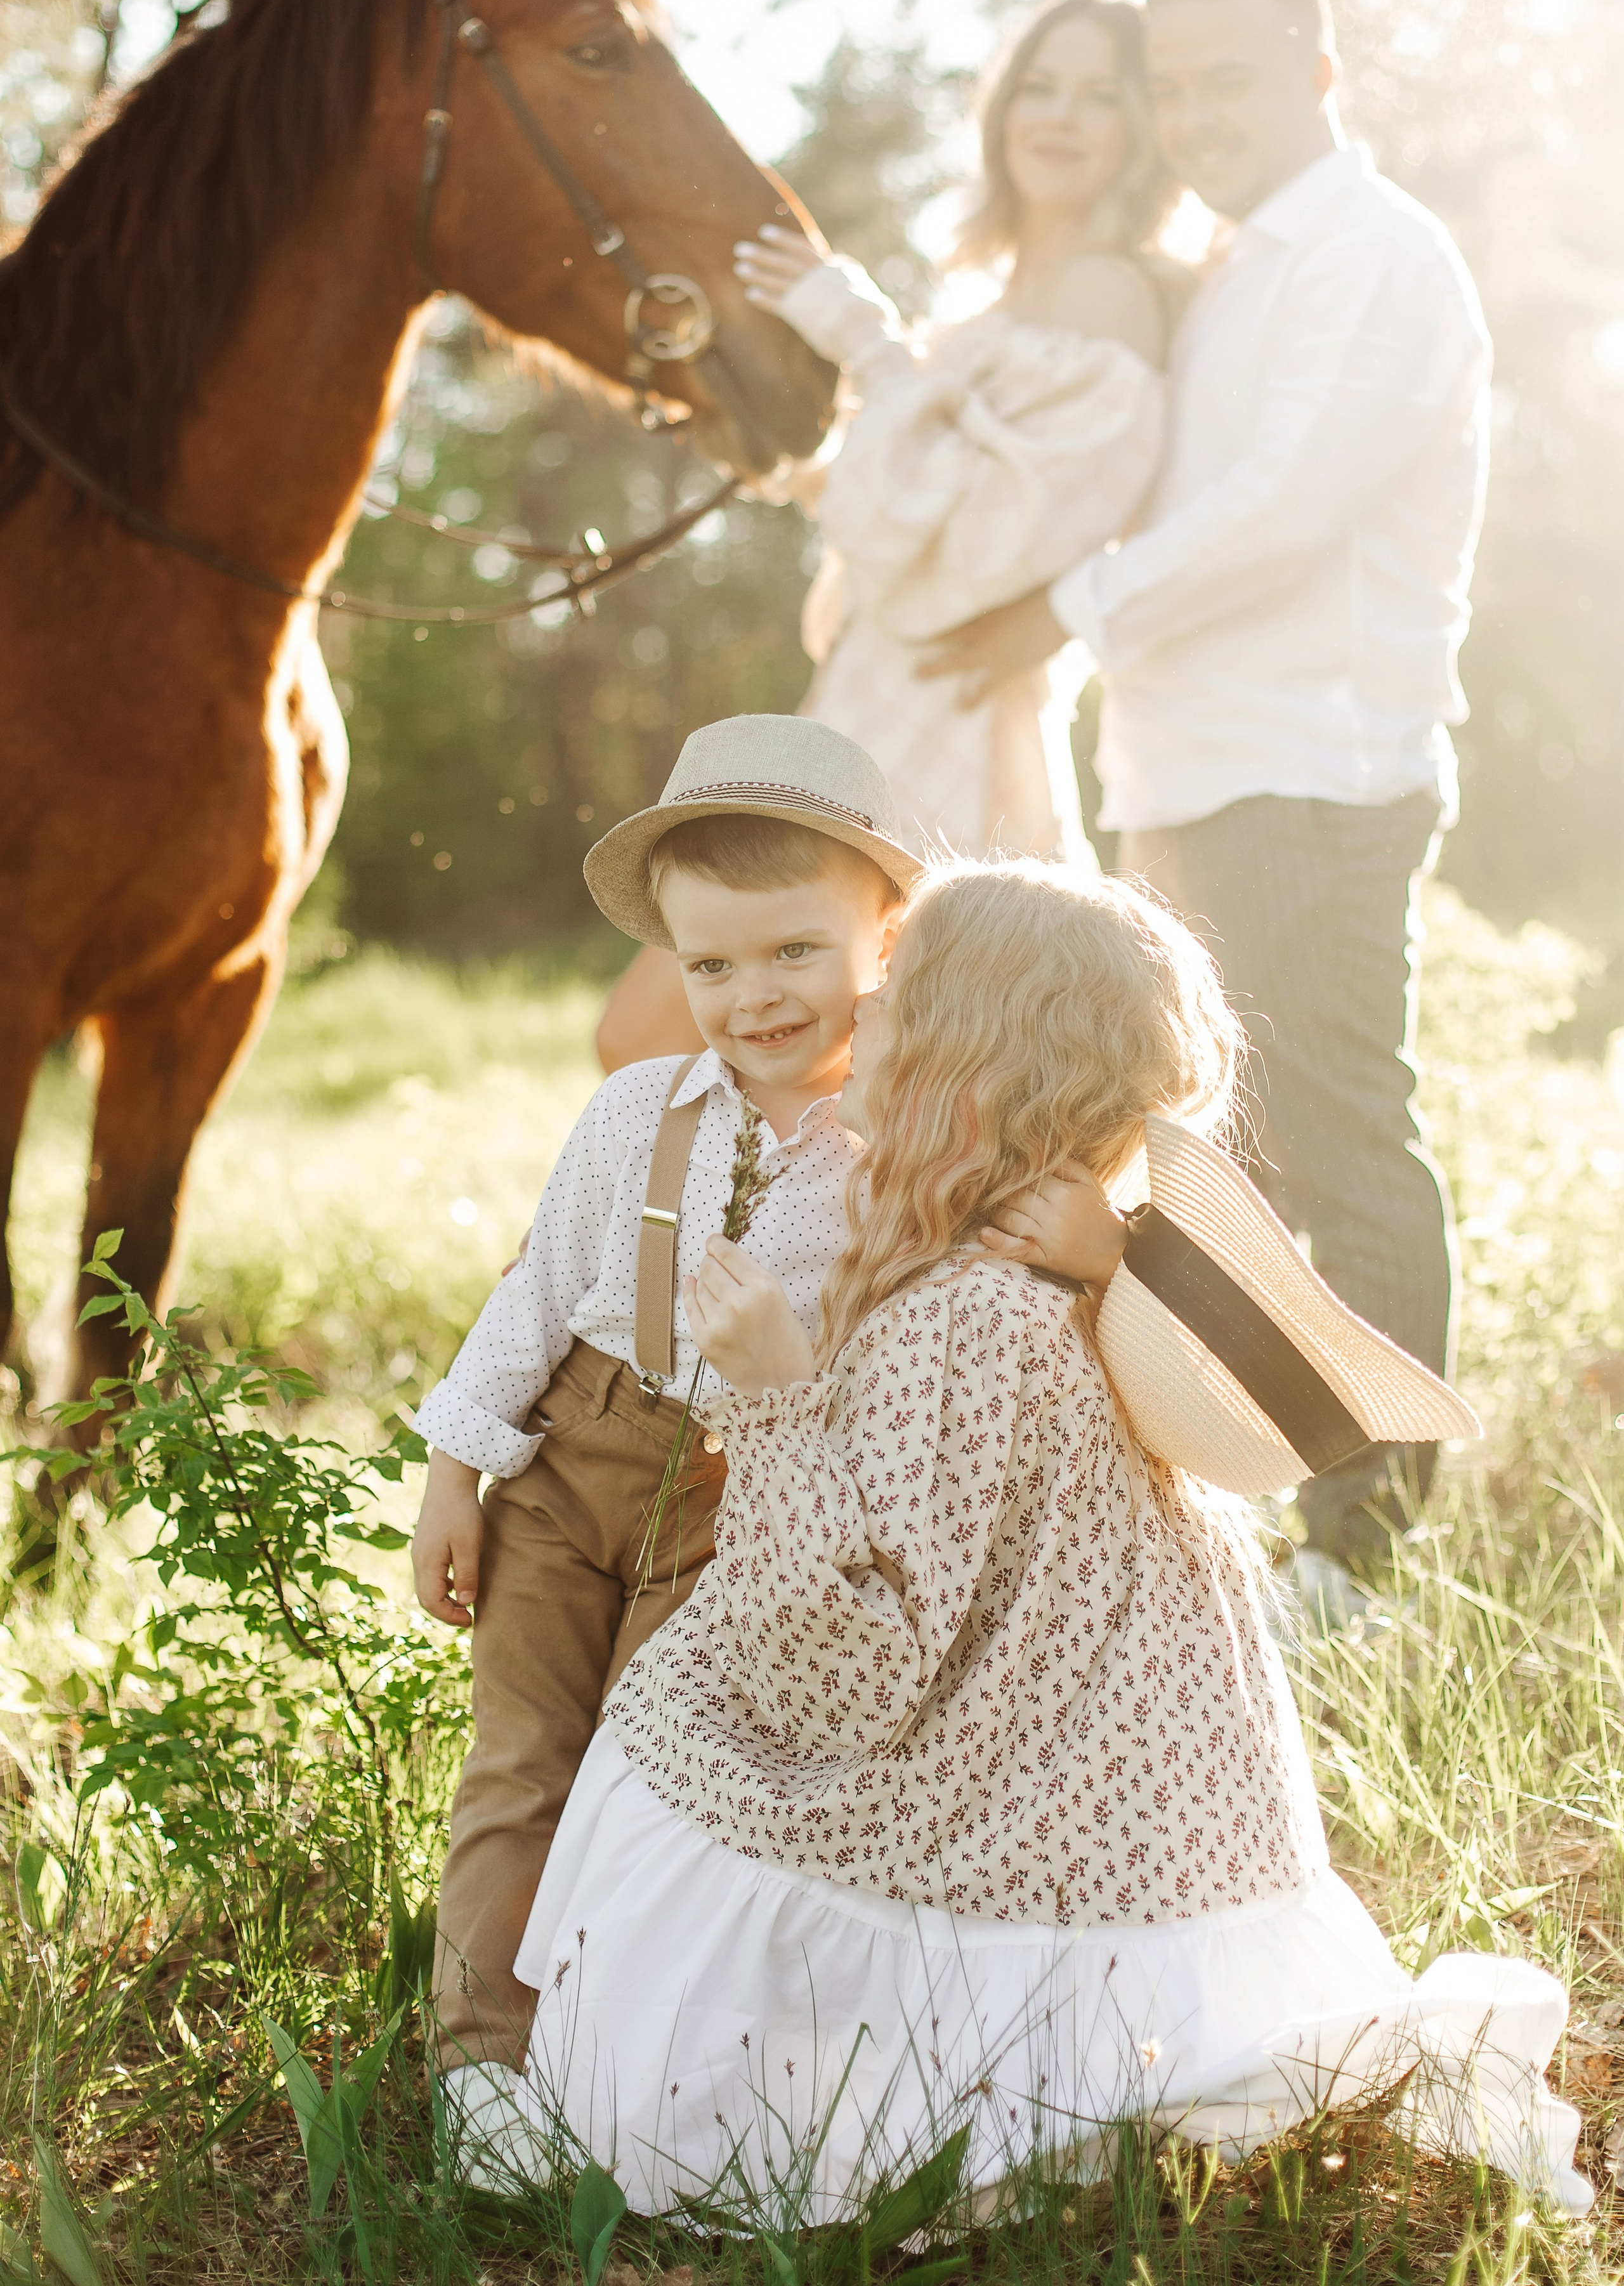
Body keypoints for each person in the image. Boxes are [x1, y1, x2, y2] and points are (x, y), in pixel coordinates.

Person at [508, 859, 1587, 2219]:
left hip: (1002, 1775)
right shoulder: (1043, 1261)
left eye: (892, 1004)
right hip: (1106, 1767)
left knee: (683, 1729)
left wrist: (774, 1392)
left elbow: (850, 1666)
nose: (857, 1017)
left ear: (961, 1064)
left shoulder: (969, 1315)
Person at [408, 714, 1113, 2181]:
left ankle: (605, 2046)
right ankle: (480, 2063)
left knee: (654, 1779)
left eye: (792, 952)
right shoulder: (628, 1114)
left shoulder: (919, 1150)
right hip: (571, 1459)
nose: (750, 996)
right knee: (524, 1756)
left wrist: (1104, 1244)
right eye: (709, 965)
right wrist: (454, 1477)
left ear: (886, 933)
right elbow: (532, 1296)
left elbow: (1019, 1287)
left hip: (749, 1497)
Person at [916, 0, 1492, 1576]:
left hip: (1310, 772)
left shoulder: (1372, 257)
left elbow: (1282, 510)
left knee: (1335, 1144)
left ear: (1318, 76)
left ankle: (1362, 1562)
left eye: (1224, 79)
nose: (1191, 115)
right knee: (1207, 1164)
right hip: (1183, 774)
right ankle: (1244, 1529)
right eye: (1171, 87)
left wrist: (1061, 612)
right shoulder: (1230, 265)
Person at [595, 0, 1179, 1074]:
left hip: (945, 711)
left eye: (1103, 94)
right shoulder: (1000, 299)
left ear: (1146, 124)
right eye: (1040, 87)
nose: (1061, 116)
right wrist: (796, 466)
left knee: (761, 1051)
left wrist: (861, 334)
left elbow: (973, 553)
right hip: (871, 696)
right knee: (744, 1055)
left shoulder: (1114, 297)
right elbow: (912, 504)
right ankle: (720, 1247)